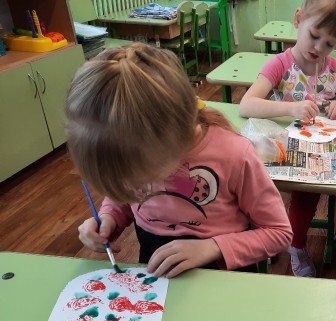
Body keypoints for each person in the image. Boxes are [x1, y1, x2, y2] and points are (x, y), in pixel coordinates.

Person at [67, 43, 292, 278]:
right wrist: (109, 218)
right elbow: (123, 196)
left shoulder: (234, 155)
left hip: (223, 275)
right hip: (157, 272)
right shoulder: (139, 153)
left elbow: (279, 233)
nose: (133, 185)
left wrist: (213, 247)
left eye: (139, 179)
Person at [239, 0, 336, 277]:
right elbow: (246, 105)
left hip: (330, 150)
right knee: (305, 198)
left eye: (329, 44)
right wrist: (291, 108)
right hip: (293, 153)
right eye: (314, 35)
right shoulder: (280, 64)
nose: (319, 48)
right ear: (298, 19)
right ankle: (295, 246)